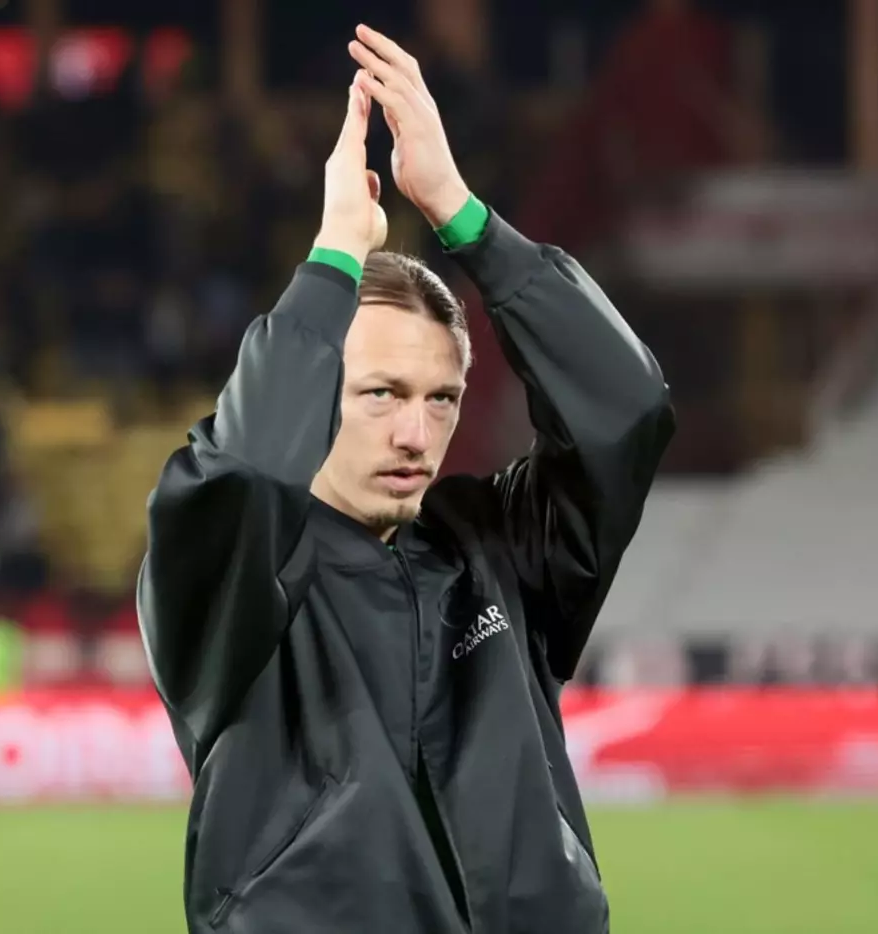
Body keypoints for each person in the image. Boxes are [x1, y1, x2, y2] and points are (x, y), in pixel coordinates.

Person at [137, 25, 673, 934]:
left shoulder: (499, 548)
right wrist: (335, 255)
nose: (416, 434)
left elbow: (628, 408)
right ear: (318, 389)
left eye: (442, 399)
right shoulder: (237, 581)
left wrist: (463, 215)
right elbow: (244, 472)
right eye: (382, 393)